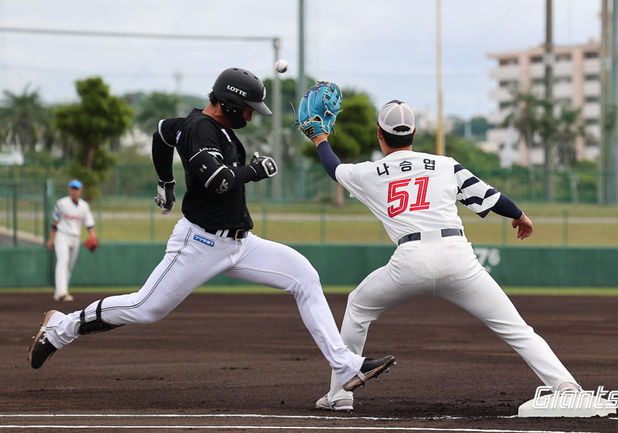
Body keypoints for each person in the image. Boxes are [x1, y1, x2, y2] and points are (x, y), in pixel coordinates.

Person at [29, 67, 395, 396]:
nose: (252, 114)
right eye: (249, 107)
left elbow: (160, 133)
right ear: (229, 104)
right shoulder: (201, 128)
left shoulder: (195, 124)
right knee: (145, 307)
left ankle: (345, 366)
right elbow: (218, 180)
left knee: (304, 276)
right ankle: (61, 327)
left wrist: (165, 181)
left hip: (241, 243)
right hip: (200, 242)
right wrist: (256, 170)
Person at [307, 100, 580, 411]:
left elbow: (333, 168)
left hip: (410, 260)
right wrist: (519, 215)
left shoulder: (369, 172)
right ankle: (565, 385)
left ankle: (340, 395)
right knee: (515, 328)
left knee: (358, 305)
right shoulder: (445, 164)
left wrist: (320, 139)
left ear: (379, 135)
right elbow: (488, 196)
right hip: (458, 259)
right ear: (414, 133)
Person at [46, 179, 96, 302]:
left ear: (80, 190)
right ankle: (62, 291)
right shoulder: (61, 203)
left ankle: (61, 292)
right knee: (63, 260)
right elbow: (54, 223)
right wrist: (51, 239)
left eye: (77, 189)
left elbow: (89, 223)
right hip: (62, 235)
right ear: (69, 189)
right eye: (72, 188)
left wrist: (92, 236)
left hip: (75, 237)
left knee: (69, 265)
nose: (74, 191)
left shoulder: (84, 206)